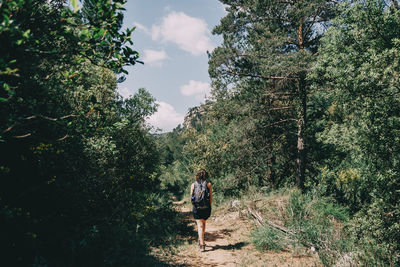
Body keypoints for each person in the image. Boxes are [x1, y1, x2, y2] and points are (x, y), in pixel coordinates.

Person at [190, 169, 212, 252]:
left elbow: (191, 198)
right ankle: (202, 241)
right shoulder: (209, 184)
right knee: (203, 223)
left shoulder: (193, 185)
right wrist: (208, 206)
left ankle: (201, 244)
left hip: (197, 208)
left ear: (197, 176)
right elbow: (211, 198)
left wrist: (195, 205)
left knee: (199, 225)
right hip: (206, 208)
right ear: (206, 175)